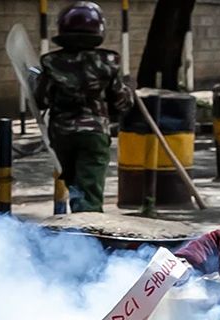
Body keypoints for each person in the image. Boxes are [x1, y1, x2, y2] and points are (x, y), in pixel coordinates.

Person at [36, 1, 132, 214]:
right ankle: (89, 242)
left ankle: (77, 238)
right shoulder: (108, 61)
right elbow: (121, 102)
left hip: (62, 135)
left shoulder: (51, 62)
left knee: (75, 189)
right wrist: (128, 92)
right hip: (94, 134)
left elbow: (41, 100)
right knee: (89, 194)